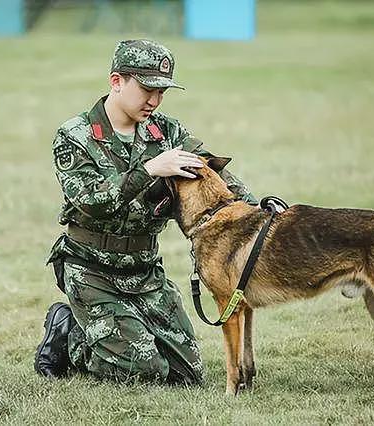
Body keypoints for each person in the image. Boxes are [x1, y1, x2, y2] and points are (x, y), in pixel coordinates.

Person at [34, 39, 256, 385]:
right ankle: (70, 334)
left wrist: (257, 210)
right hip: (92, 271)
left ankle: (117, 328)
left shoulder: (166, 131)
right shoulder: (75, 135)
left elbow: (214, 174)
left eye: (162, 91)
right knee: (145, 370)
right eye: (147, 88)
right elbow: (89, 199)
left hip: (145, 271)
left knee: (188, 376)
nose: (154, 100)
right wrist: (150, 169)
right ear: (116, 81)